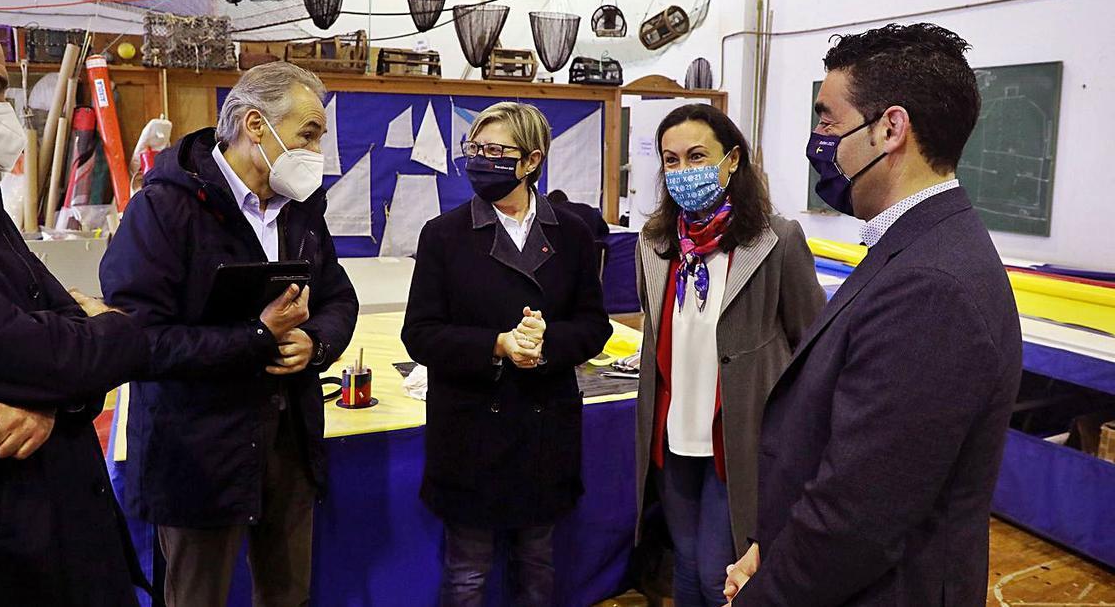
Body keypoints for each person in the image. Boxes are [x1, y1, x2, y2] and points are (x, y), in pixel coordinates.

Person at [725, 23, 1022, 606]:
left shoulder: (932, 287)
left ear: (889, 128)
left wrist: (765, 595)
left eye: (828, 121)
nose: (818, 140)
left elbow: (858, 515)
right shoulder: (918, 246)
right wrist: (770, 543)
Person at [0, 0, 151, 606]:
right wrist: (105, 330)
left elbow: (53, 357)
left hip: (68, 543)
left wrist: (49, 401)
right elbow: (62, 353)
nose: (5, 110)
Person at [100, 62, 359, 607]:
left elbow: (338, 298)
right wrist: (257, 338)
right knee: (198, 596)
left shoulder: (303, 208)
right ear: (254, 125)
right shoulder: (164, 208)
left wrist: (317, 345)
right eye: (308, 134)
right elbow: (139, 341)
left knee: (288, 595)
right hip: (197, 453)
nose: (317, 152)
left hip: (289, 444)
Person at [402, 102, 613, 606]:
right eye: (475, 149)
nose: (481, 159)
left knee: (537, 568)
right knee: (467, 575)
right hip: (470, 429)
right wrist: (497, 344)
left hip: (543, 430)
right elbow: (421, 334)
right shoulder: (444, 235)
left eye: (497, 151)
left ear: (531, 160)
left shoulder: (573, 233)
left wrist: (545, 345)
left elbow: (593, 325)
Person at [632, 104, 825, 606]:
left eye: (697, 156)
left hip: (736, 441)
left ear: (732, 159)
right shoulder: (655, 246)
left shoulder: (776, 241)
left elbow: (812, 345)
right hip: (672, 439)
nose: (683, 172)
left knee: (718, 574)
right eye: (671, 161)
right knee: (685, 567)